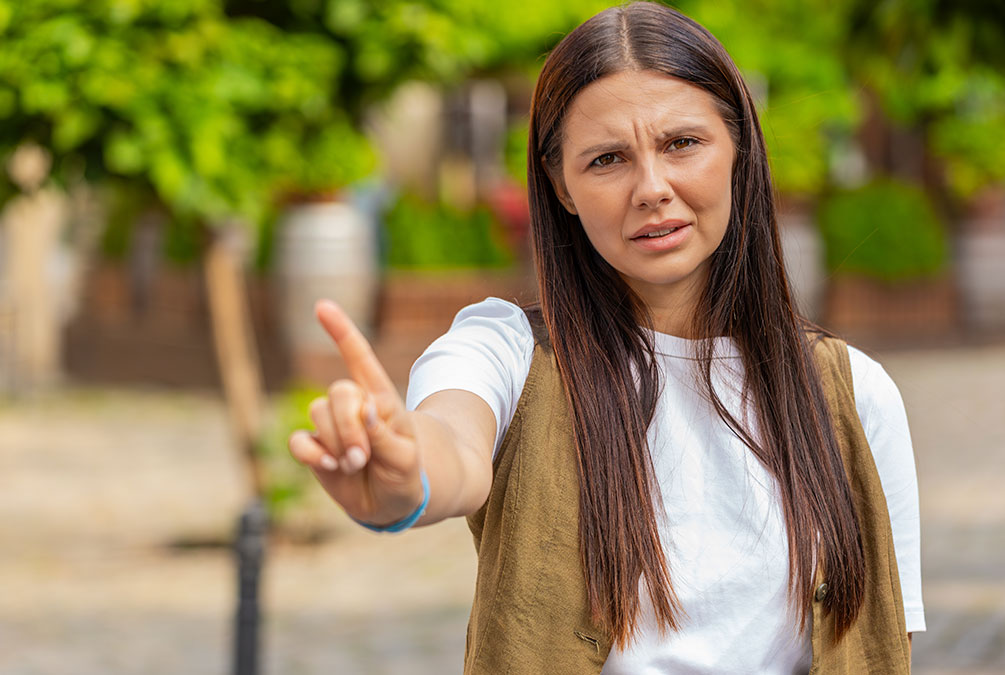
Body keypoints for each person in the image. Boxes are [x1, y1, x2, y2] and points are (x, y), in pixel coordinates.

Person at [288, 2, 924, 673]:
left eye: (682, 143)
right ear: (561, 184)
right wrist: (404, 474)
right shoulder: (505, 353)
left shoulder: (853, 393)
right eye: (607, 159)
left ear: (739, 148)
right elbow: (450, 446)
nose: (652, 188)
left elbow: (882, 642)